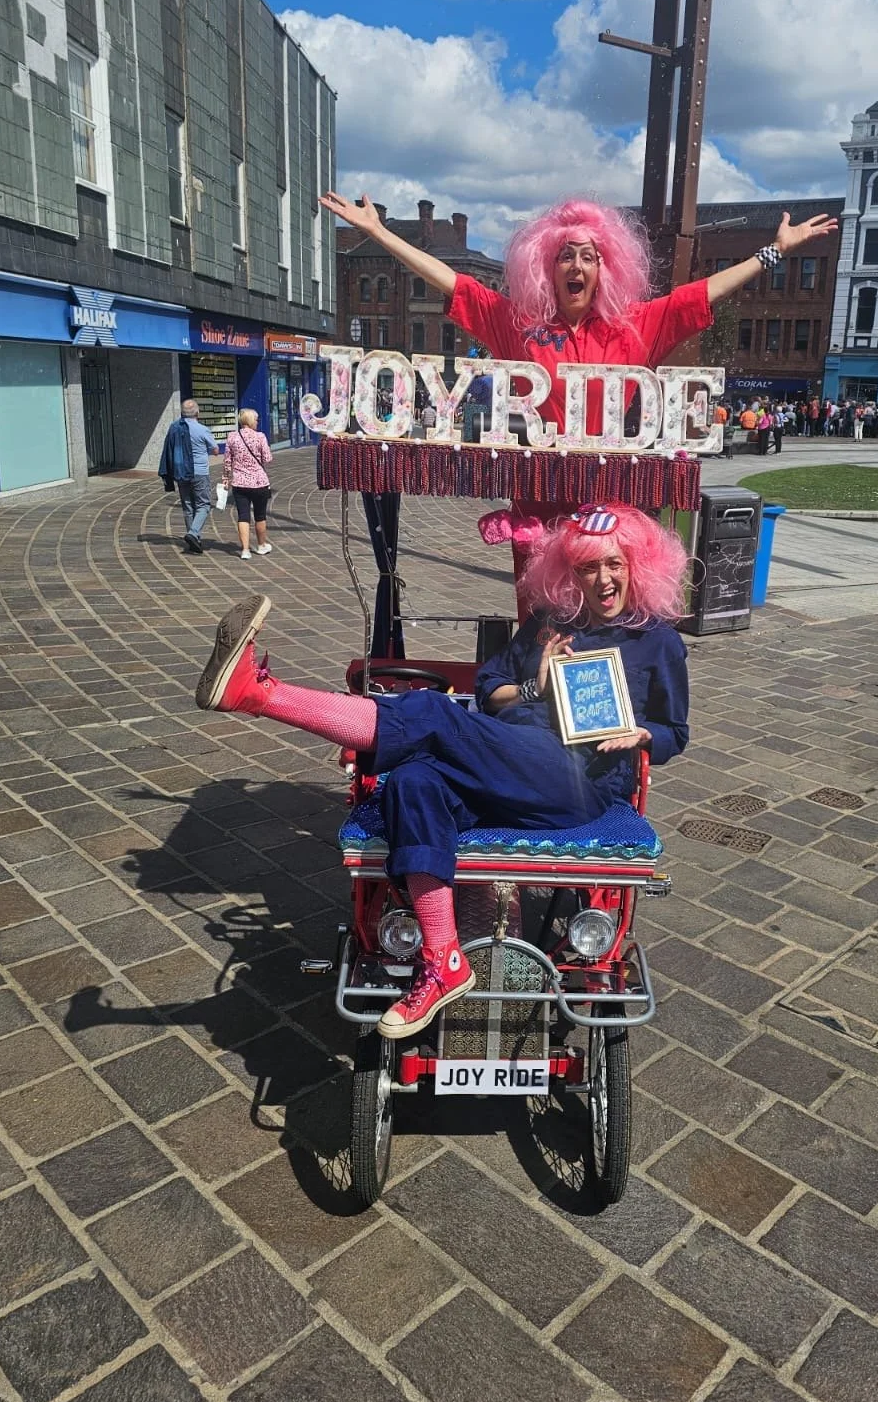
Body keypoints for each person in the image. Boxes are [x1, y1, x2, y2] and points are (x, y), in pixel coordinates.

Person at [194, 505, 690, 1037]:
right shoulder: (549, 623)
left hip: (575, 781)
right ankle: (443, 959)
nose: (603, 578)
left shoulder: (657, 641)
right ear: (572, 572)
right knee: (412, 782)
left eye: (614, 564)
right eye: (589, 567)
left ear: (637, 564)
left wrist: (643, 735)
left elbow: (674, 732)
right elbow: (489, 691)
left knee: (431, 713)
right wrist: (533, 687)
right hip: (504, 764)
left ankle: (260, 695)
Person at [319, 192, 837, 436]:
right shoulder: (520, 325)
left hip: (606, 495)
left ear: (605, 268)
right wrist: (381, 234)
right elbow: (454, 282)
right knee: (541, 616)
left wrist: (775, 252)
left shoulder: (634, 326)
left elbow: (701, 295)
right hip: (539, 493)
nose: (577, 265)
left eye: (589, 256)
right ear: (546, 266)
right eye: (566, 255)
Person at [158, 399, 220, 553]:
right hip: (199, 472)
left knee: (187, 506)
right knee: (203, 505)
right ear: (197, 413)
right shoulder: (202, 430)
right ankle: (193, 533)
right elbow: (215, 450)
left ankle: (194, 540)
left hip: (180, 472)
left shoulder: (174, 428)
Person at [223, 408, 274, 560]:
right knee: (260, 515)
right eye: (256, 420)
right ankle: (261, 545)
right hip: (259, 482)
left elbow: (227, 461)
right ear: (251, 421)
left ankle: (245, 550)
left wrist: (226, 477)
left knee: (243, 516)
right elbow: (267, 459)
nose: (257, 422)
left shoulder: (232, 437)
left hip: (240, 483)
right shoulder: (260, 437)